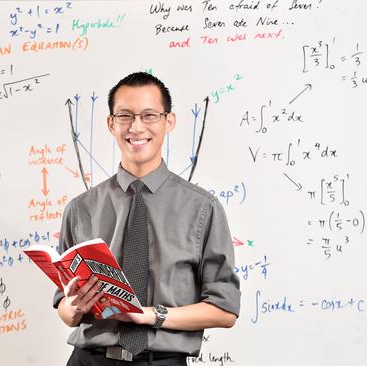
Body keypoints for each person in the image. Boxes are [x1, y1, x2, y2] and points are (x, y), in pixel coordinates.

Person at [54, 72, 241, 365]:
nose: (136, 127)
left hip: (162, 360)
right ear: (110, 123)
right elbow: (64, 310)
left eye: (149, 115)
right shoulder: (81, 208)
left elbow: (225, 310)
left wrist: (149, 315)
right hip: (89, 359)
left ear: (169, 121)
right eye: (125, 116)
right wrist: (74, 306)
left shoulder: (203, 208)